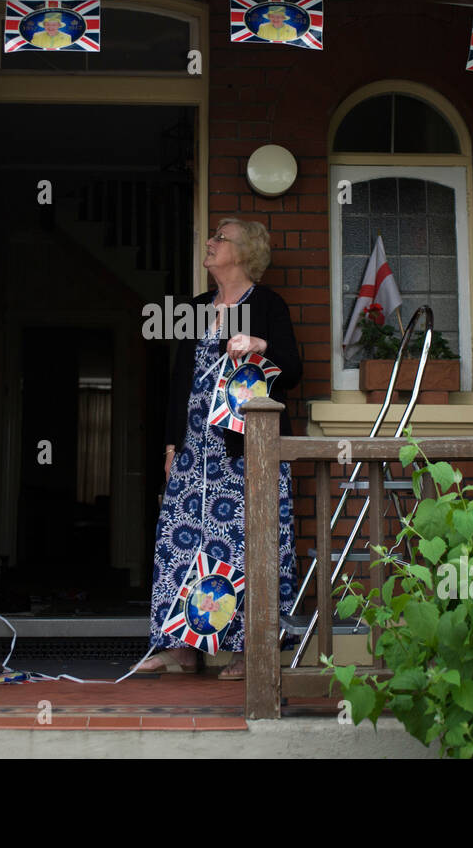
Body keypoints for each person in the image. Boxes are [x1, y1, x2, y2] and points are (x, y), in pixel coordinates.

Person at [139, 219, 300, 679]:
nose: (209, 244)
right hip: (195, 452)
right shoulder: (195, 308)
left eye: (219, 239)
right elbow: (178, 382)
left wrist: (258, 345)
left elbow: (292, 369)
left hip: (246, 449)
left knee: (249, 545)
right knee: (181, 542)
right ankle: (183, 647)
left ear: (244, 252)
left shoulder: (267, 305)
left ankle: (254, 651)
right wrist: (171, 445)